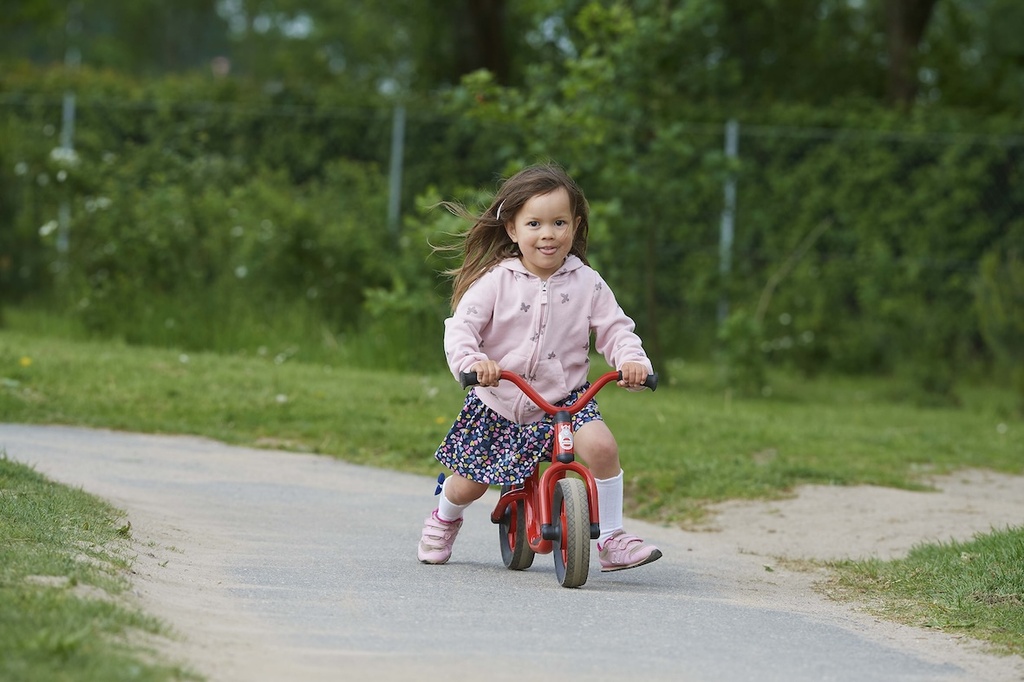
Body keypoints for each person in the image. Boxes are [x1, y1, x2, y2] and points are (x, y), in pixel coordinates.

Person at [417, 163, 661, 573]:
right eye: (534, 223)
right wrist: (475, 363)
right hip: (502, 401)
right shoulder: (497, 281)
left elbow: (616, 330)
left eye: (559, 222)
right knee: (469, 485)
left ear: (575, 225)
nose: (547, 234)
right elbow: (461, 330)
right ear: (513, 229)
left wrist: (632, 361)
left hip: (567, 400)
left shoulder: (588, 283)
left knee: (602, 448)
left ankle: (613, 538)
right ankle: (444, 518)